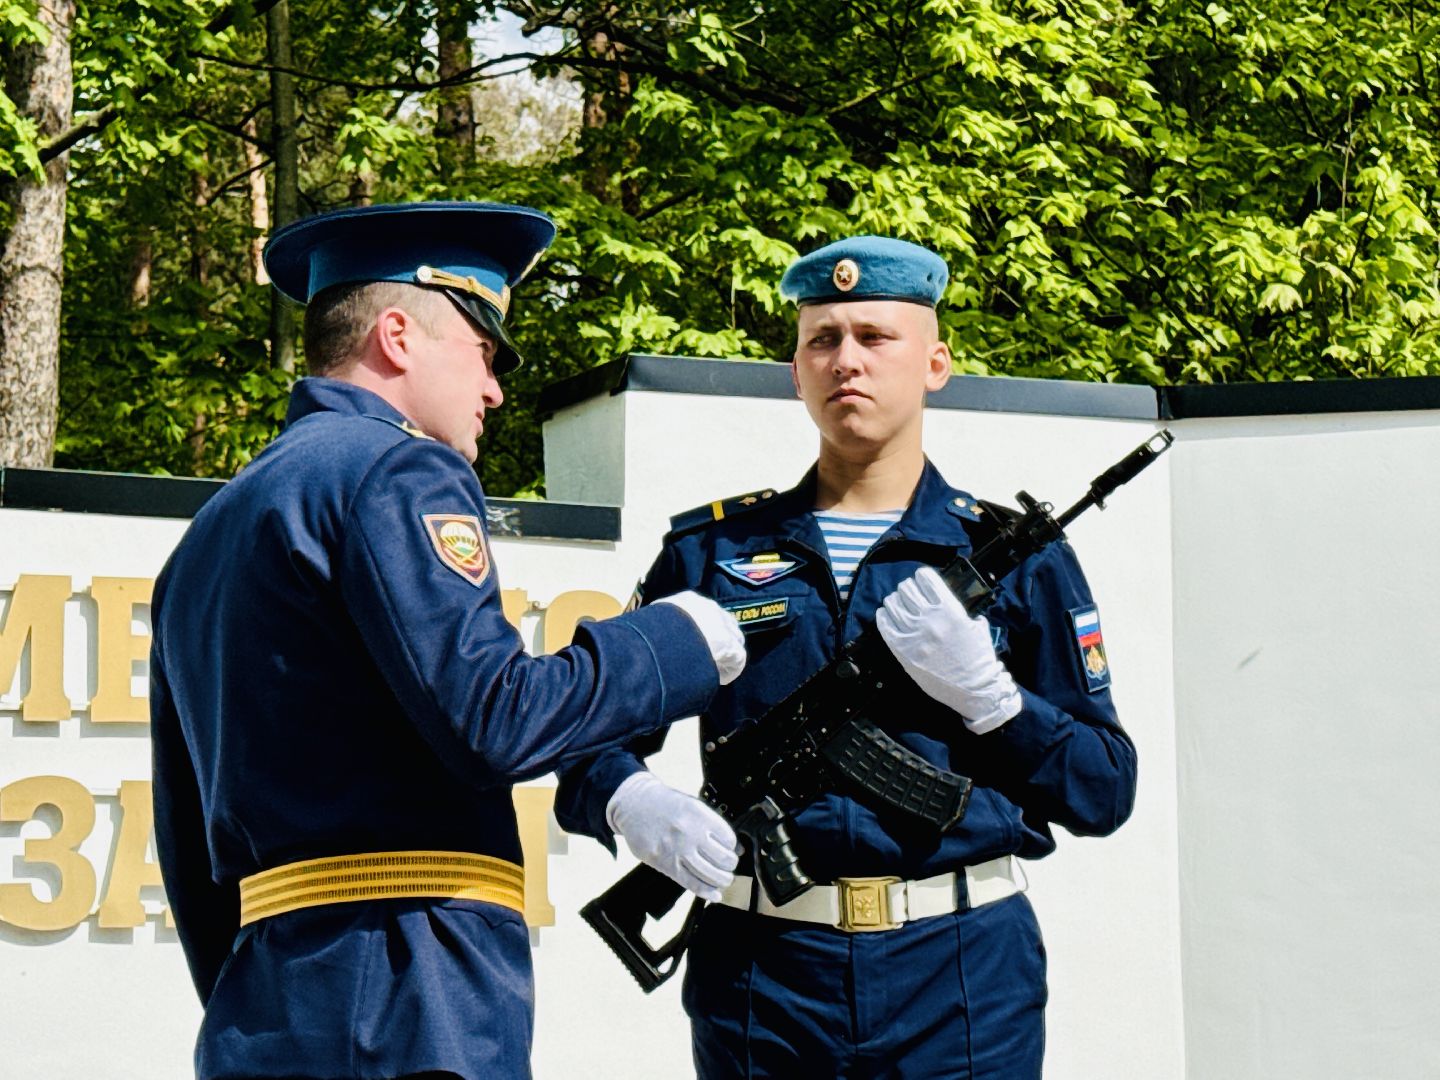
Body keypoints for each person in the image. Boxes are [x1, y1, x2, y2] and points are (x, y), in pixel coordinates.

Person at [149, 200, 746, 1080]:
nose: (496, 388)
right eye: (483, 350)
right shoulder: (398, 467)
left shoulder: (208, 534)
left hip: (268, 999)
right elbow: (492, 716)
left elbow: (185, 840)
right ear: (398, 336)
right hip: (407, 985)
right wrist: (673, 645)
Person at [555, 236, 1137, 1078]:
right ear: (795, 372)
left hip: (962, 972)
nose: (846, 362)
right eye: (822, 341)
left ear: (935, 363)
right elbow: (581, 735)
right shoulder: (712, 552)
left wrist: (998, 704)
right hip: (766, 972)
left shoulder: (1012, 558)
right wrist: (629, 800)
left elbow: (1104, 788)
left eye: (875, 337)